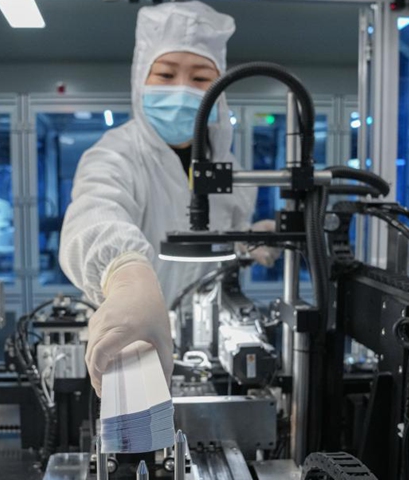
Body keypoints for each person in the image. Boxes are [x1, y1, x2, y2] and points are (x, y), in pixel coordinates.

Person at [60, 2, 278, 396]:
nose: (182, 89)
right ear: (140, 77)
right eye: (165, 74)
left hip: (210, 350)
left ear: (220, 87)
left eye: (200, 77)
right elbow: (93, 211)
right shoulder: (116, 154)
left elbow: (216, 244)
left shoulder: (229, 168)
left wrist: (247, 242)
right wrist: (127, 275)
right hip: (132, 343)